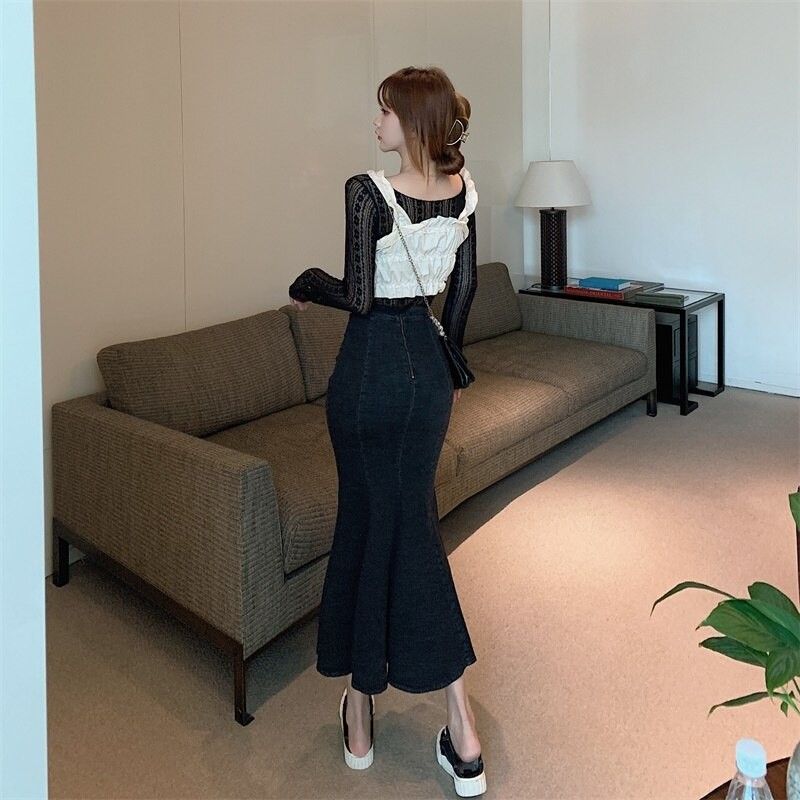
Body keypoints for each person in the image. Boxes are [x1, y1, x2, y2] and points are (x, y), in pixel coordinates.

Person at [288, 66, 485, 796]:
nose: (376, 123)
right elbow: (462, 290)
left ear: (410, 119)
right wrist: (449, 359)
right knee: (415, 524)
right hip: (426, 375)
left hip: (368, 373)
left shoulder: (367, 191)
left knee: (366, 523)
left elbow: (360, 297)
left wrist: (309, 282)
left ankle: (362, 717)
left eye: (384, 112)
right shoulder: (464, 193)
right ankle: (460, 730)